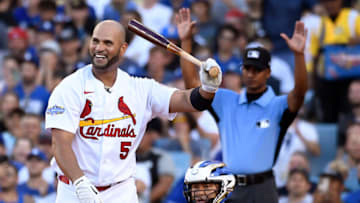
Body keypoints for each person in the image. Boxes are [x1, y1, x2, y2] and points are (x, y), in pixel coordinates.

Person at [45, 19, 222, 203]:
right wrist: (80, 182)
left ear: (123, 49)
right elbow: (60, 144)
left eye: (108, 43)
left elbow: (189, 101)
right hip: (75, 189)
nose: (99, 48)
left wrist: (208, 89)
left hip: (121, 192)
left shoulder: (139, 88)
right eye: (95, 41)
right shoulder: (70, 87)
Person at [176, 8, 308, 203]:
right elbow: (192, 88)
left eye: (257, 69)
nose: (251, 73)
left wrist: (298, 55)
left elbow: (300, 93)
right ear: (241, 69)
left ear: (268, 73)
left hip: (263, 187)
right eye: (247, 68)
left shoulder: (278, 105)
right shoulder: (225, 100)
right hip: (231, 186)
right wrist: (186, 41)